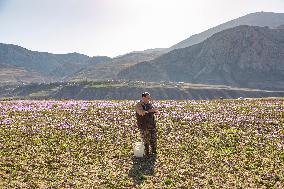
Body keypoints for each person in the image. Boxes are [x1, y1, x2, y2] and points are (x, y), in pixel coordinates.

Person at [135, 92, 158, 156]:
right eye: (148, 98)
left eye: (149, 98)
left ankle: (154, 151)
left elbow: (155, 111)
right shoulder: (139, 105)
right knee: (146, 140)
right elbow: (141, 113)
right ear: (143, 97)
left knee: (153, 139)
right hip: (144, 126)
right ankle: (146, 153)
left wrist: (153, 110)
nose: (149, 99)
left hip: (151, 125)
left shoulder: (149, 104)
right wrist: (150, 111)